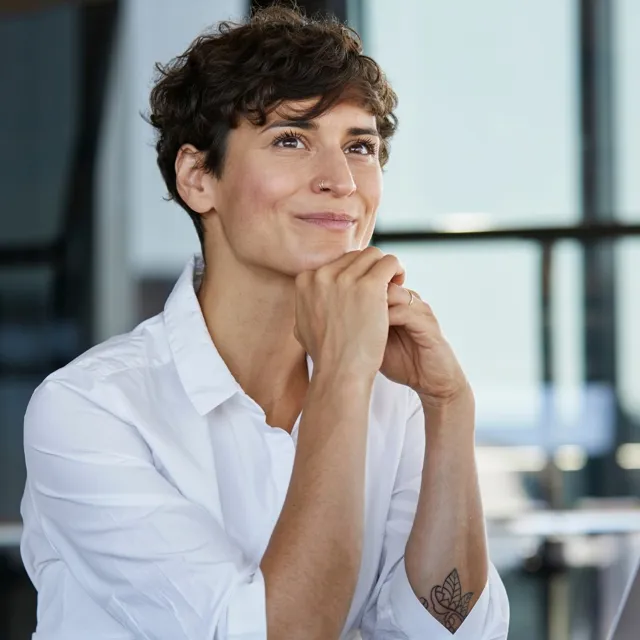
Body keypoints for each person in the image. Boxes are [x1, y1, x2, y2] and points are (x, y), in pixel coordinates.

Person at [20, 5, 509, 639]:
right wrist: (339, 376)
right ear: (199, 179)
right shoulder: (88, 409)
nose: (339, 181)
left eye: (360, 147)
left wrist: (449, 406)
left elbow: (451, 629)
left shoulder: (398, 401)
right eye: (290, 140)